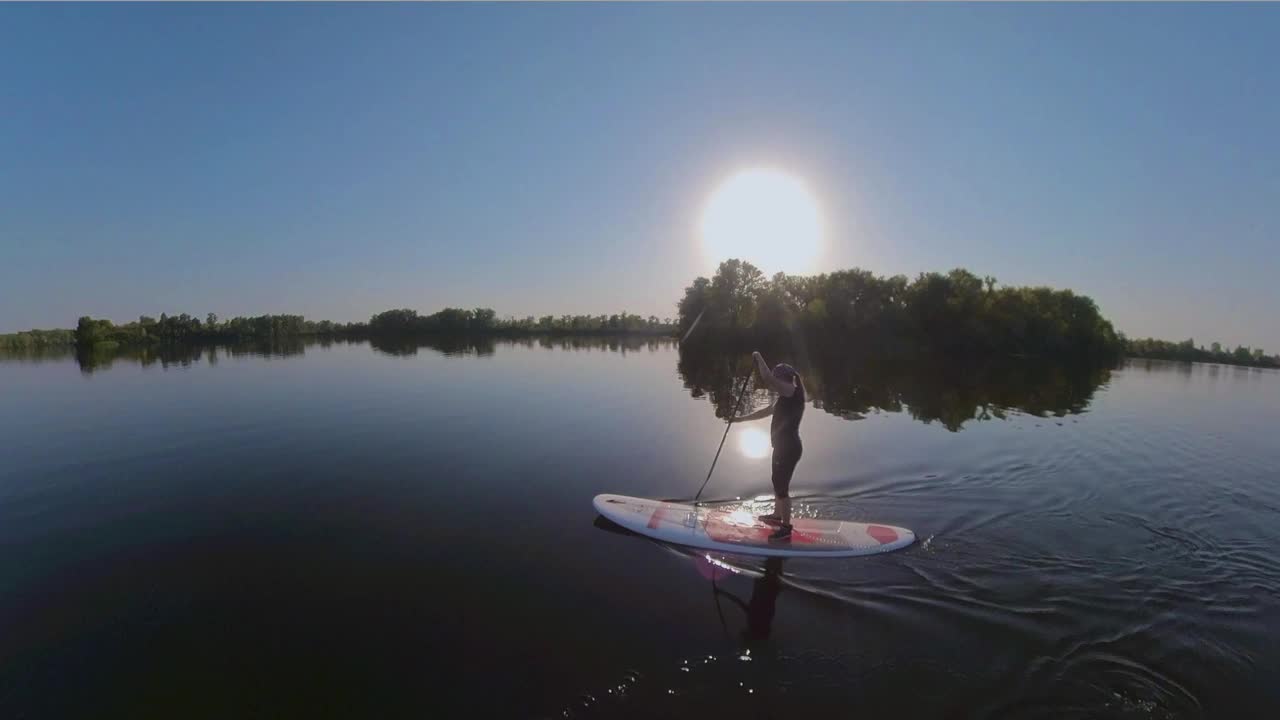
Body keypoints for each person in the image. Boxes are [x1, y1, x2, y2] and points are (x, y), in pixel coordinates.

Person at [735, 351, 805, 541]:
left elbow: (766, 377)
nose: (775, 383)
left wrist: (758, 356)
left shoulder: (792, 392)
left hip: (789, 448)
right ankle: (776, 515)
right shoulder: (785, 398)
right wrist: (739, 419)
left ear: (785, 379)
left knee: (782, 487)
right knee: (777, 481)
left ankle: (786, 528)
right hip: (781, 447)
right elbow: (764, 412)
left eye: (777, 379)